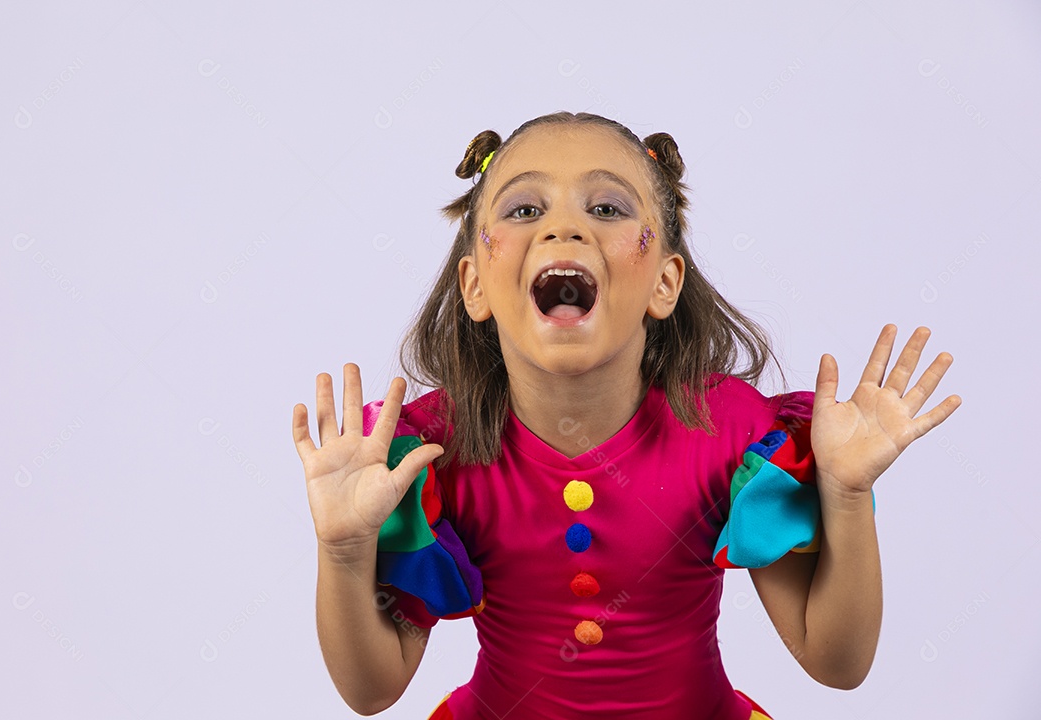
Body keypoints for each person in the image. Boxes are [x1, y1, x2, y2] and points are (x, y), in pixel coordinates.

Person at [291, 111, 961, 719]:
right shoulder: (429, 450)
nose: (563, 226)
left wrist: (846, 494)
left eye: (607, 206)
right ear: (475, 285)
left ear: (664, 282)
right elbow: (371, 690)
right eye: (524, 209)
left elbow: (836, 663)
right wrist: (344, 548)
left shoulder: (728, 431)